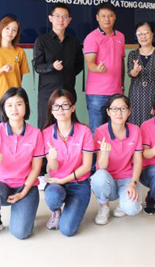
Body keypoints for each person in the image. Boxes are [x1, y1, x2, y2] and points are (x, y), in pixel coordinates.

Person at [0, 87, 44, 239]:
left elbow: (36, 168)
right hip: (2, 186)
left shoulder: (36, 133)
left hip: (25, 186)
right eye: (9, 105)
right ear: (3, 108)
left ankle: (25, 210)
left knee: (21, 233)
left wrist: (23, 192)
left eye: (19, 104)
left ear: (26, 105)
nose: (14, 109)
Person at [41, 89, 93, 236]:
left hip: (79, 184)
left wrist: (64, 179)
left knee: (67, 230)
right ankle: (56, 211)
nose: (60, 110)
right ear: (51, 110)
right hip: (56, 183)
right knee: (53, 196)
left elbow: (87, 166)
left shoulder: (84, 131)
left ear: (73, 108)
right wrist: (52, 158)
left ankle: (72, 206)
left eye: (65, 105)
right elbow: (53, 167)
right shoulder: (46, 133)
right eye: (56, 106)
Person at [91, 94, 143, 225]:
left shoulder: (135, 130)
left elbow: (138, 161)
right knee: (98, 177)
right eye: (114, 109)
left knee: (132, 209)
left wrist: (133, 183)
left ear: (129, 111)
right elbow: (101, 167)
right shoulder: (100, 132)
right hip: (108, 180)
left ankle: (123, 204)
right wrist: (105, 153)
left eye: (123, 108)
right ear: (108, 112)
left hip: (127, 179)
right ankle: (104, 206)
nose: (119, 113)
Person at [33, 4, 84, 129]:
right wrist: (52, 67)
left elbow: (79, 65)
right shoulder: (42, 41)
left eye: (65, 17)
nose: (61, 20)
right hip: (48, 93)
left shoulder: (74, 42)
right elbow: (37, 66)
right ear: (50, 18)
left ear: (69, 20)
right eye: (57, 16)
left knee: (67, 128)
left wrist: (68, 74)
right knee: (45, 127)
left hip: (68, 92)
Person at [83, 3, 125, 133]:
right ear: (97, 17)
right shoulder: (91, 37)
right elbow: (90, 62)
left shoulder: (121, 36)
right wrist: (97, 68)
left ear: (115, 17)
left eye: (110, 16)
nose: (107, 19)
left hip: (116, 92)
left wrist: (122, 85)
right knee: (97, 132)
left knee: (115, 132)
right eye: (103, 16)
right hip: (97, 94)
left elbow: (121, 62)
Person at [127, 22, 155, 126]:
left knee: (152, 126)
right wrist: (135, 70)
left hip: (153, 96)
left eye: (146, 33)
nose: (143, 36)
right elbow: (130, 74)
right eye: (139, 34)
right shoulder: (133, 54)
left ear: (152, 34)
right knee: (135, 125)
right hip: (135, 96)